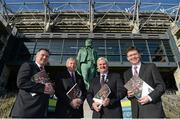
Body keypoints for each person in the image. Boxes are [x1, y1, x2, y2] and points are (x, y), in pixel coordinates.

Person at [10, 48, 54, 118]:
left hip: (39, 112)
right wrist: (43, 87)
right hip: (26, 111)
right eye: (42, 55)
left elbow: (44, 90)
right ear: (36, 56)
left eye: (47, 56)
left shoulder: (44, 72)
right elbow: (21, 82)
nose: (45, 57)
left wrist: (50, 91)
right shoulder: (28, 65)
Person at [123, 46, 166, 118]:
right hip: (136, 113)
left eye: (135, 54)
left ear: (139, 55)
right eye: (130, 55)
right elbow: (129, 94)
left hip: (152, 110)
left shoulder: (151, 66)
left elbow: (161, 86)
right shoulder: (126, 73)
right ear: (128, 58)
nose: (133, 57)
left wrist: (149, 97)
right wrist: (129, 95)